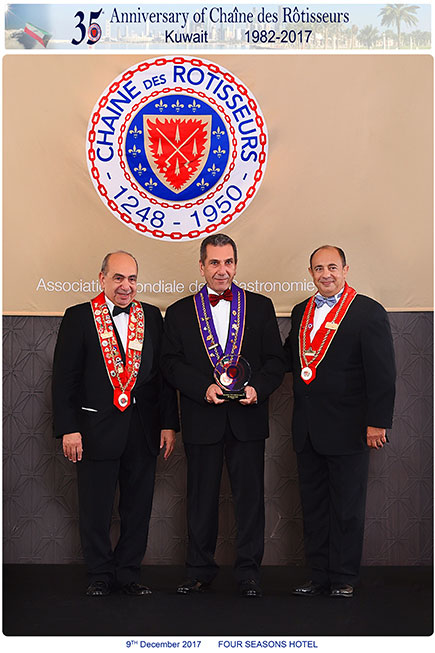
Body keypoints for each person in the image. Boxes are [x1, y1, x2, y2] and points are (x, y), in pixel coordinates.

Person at [161, 234, 286, 597]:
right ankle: (199, 570)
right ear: (201, 266)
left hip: (248, 418)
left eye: (228, 262)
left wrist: (257, 388)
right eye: (214, 262)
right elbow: (170, 363)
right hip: (203, 416)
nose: (222, 270)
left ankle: (249, 574)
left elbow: (276, 361)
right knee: (200, 499)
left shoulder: (260, 307)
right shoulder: (180, 312)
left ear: (236, 264)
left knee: (250, 500)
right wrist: (202, 387)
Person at [52, 251, 179, 597]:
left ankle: (128, 574)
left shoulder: (150, 316)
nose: (126, 286)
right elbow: (64, 378)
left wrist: (169, 424)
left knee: (138, 508)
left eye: (132, 279)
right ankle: (99, 573)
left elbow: (162, 378)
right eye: (118, 278)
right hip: (94, 429)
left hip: (143, 428)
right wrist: (68, 428)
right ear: (102, 279)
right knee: (96, 506)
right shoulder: (79, 317)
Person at [284, 245, 396, 598]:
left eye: (332, 267)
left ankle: (344, 577)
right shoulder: (301, 311)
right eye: (319, 268)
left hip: (349, 428)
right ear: (311, 273)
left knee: (347, 508)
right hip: (307, 429)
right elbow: (290, 358)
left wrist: (377, 422)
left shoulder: (367, 311)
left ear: (345, 270)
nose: (326, 274)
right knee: (314, 506)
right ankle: (318, 576)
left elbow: (382, 372)